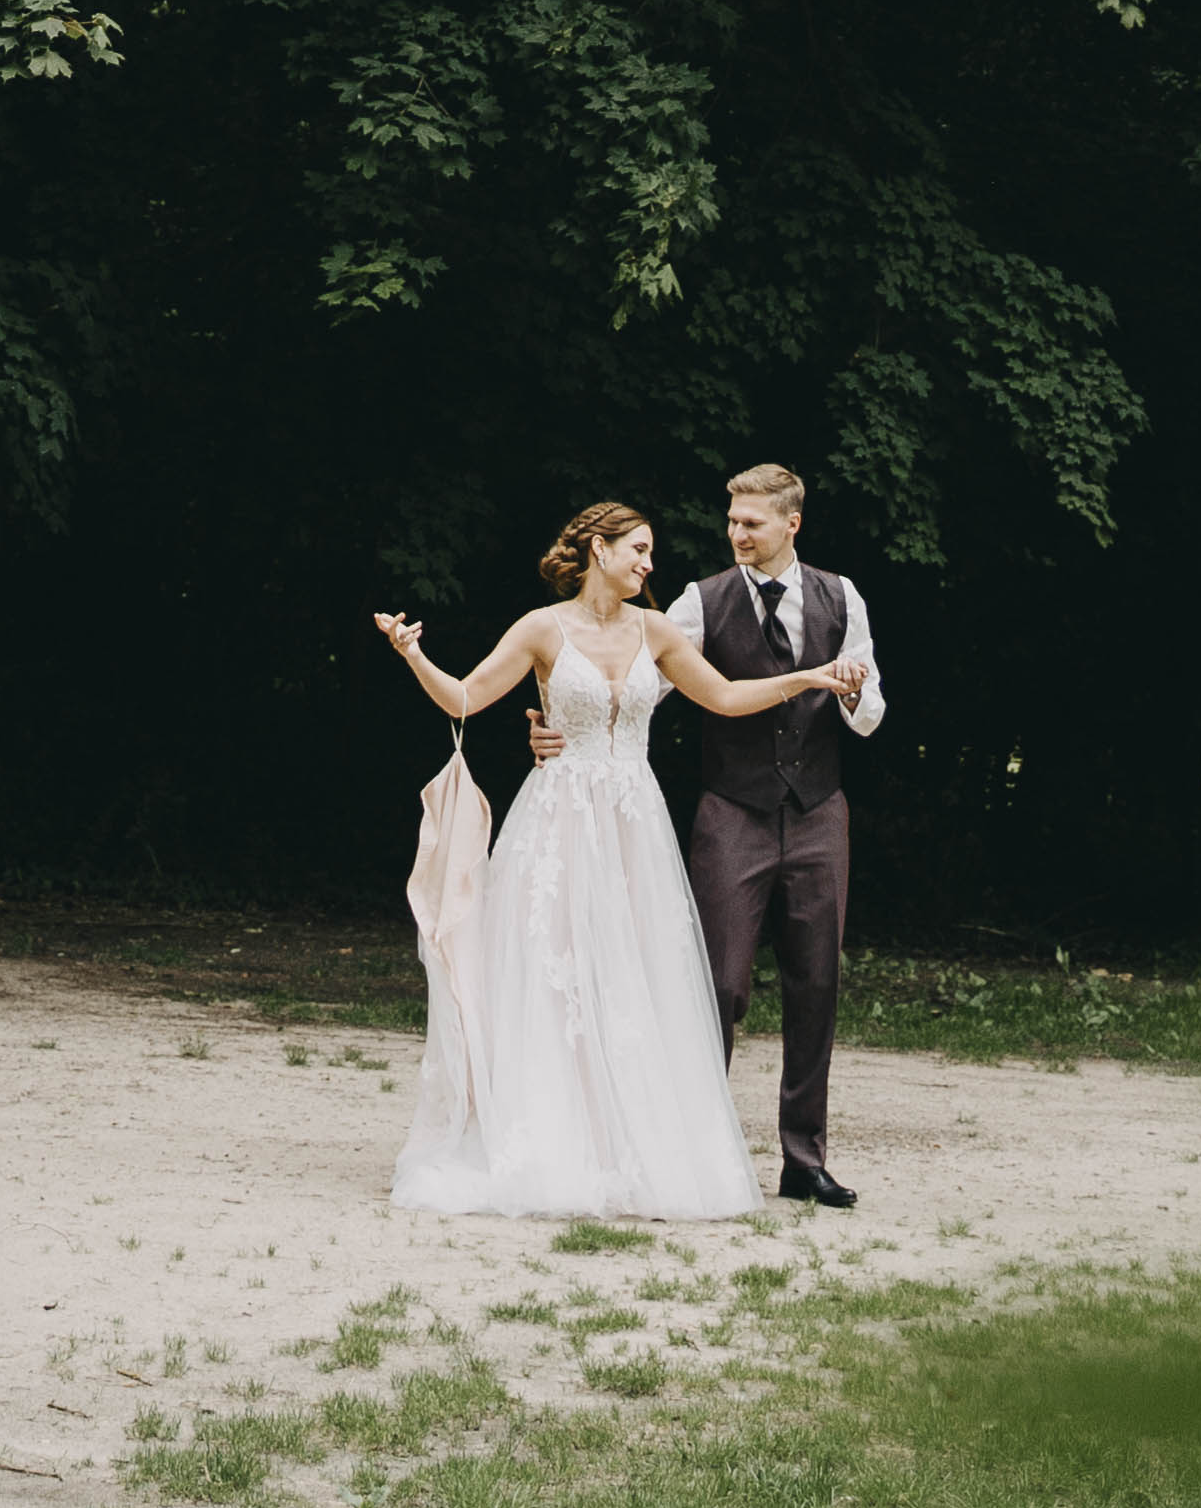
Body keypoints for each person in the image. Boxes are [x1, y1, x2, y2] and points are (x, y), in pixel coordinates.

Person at [373, 498, 869, 1217]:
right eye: (636, 549)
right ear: (597, 549)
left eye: (649, 552)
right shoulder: (542, 627)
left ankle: (624, 1144)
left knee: (632, 979)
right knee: (555, 979)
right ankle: (552, 1140)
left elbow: (724, 696)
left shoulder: (657, 628)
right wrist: (411, 651)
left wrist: (809, 677)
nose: (647, 562)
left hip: (633, 825)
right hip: (558, 824)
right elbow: (465, 697)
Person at [657, 462, 886, 1209]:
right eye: (731, 520)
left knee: (816, 984)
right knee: (718, 984)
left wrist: (854, 696)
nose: (736, 534)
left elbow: (871, 706)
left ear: (791, 523)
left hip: (820, 812)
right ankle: (695, 1152)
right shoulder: (700, 601)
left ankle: (802, 1159)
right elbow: (643, 684)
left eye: (750, 522)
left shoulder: (839, 594)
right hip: (732, 812)